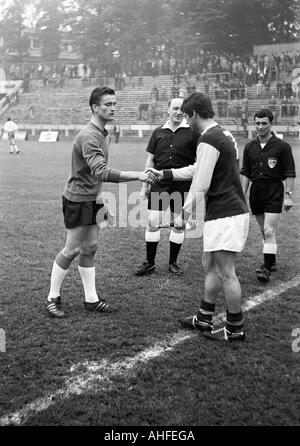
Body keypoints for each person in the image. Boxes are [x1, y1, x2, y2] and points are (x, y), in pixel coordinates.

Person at [148, 93, 249, 342]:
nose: (185, 121)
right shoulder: (221, 134)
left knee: (226, 271)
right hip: (226, 212)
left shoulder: (208, 139)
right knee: (210, 264)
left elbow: (200, 183)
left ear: (193, 114)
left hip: (227, 213)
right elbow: (197, 168)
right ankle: (204, 317)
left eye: (186, 115)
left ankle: (235, 329)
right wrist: (166, 174)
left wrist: (184, 214)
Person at [46, 87, 154, 318]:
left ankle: (91, 300)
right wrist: (138, 174)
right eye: (107, 104)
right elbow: (101, 172)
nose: (113, 108)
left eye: (114, 104)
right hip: (77, 199)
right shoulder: (89, 136)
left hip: (93, 198)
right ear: (95, 107)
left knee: (91, 248)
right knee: (72, 248)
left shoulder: (102, 133)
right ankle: (52, 297)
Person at [135, 97, 198, 276]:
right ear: (168, 110)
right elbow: (151, 160)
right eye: (175, 108)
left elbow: (197, 162)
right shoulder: (158, 132)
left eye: (182, 109)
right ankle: (150, 263)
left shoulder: (192, 133)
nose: (178, 112)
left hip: (182, 185)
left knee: (179, 225)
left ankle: (173, 263)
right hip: (159, 183)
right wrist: (144, 187)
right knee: (152, 221)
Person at [240, 108, 296, 283]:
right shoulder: (250, 146)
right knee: (264, 232)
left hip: (274, 190)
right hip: (256, 192)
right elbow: (245, 173)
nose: (260, 126)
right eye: (257, 123)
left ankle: (266, 269)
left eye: (264, 123)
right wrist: (242, 195)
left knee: (269, 230)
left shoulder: (283, 147)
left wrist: (288, 195)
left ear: (272, 124)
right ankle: (271, 262)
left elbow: (290, 173)